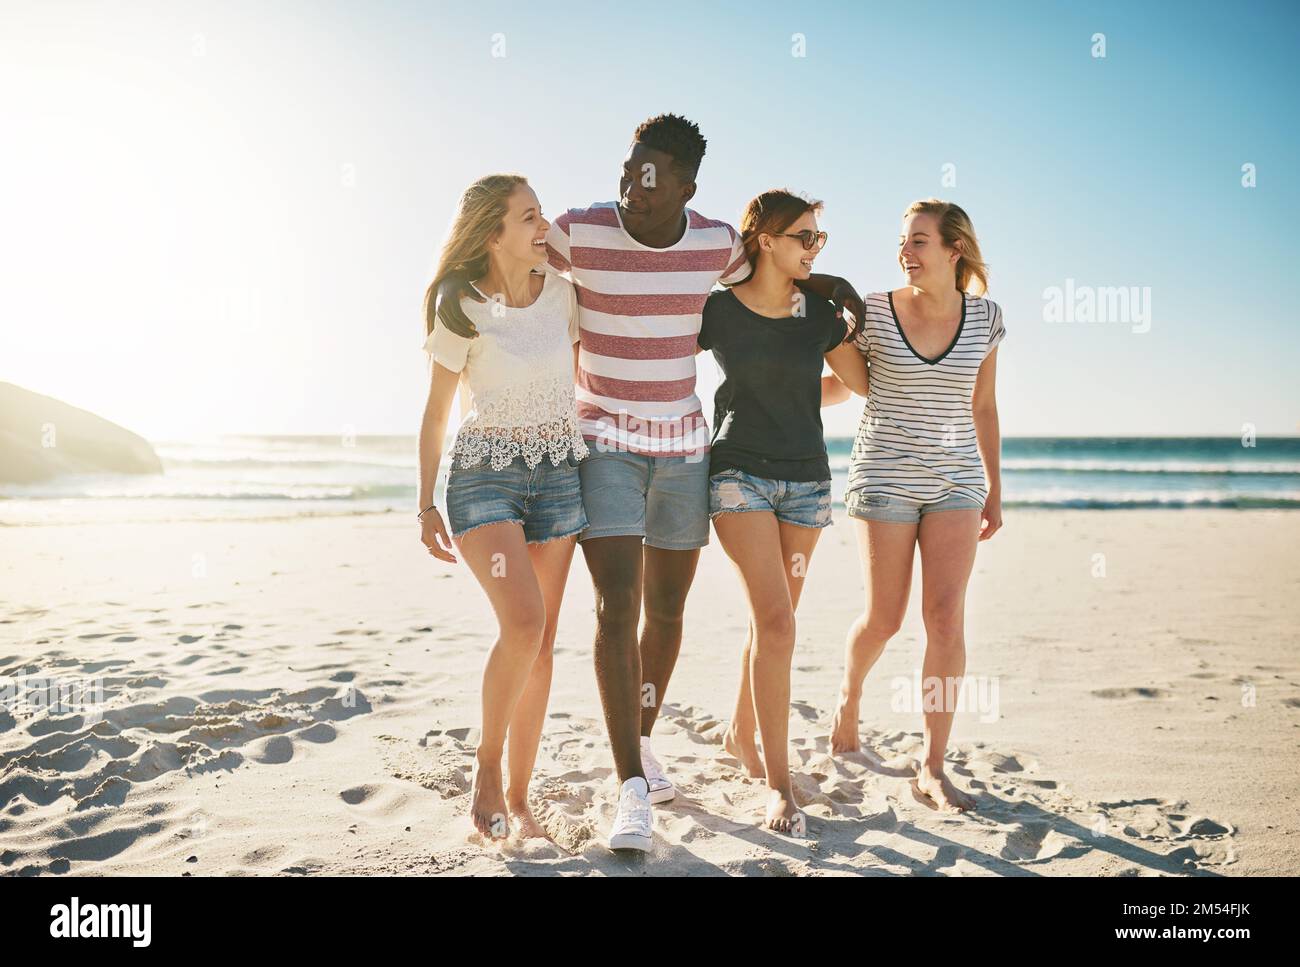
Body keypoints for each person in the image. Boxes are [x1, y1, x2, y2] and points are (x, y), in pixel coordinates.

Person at [436, 114, 865, 851]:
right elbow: (501, 249)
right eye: (628, 170)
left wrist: (830, 285)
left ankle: (636, 738)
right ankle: (631, 786)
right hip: (603, 443)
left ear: (687, 189)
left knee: (667, 611)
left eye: (651, 177)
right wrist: (452, 290)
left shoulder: (715, 245)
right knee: (616, 604)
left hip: (686, 449)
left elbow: (767, 270)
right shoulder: (580, 231)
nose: (633, 187)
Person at [416, 174, 587, 840]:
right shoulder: (459, 304)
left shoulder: (564, 297)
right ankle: (487, 767)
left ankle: (520, 799)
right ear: (493, 233)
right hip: (482, 478)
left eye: (542, 213)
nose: (544, 226)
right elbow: (434, 414)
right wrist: (424, 502)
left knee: (540, 644)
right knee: (523, 623)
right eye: (529, 217)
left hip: (559, 476)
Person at [698, 189, 868, 834]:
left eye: (818, 238)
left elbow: (856, 384)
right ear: (765, 240)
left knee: (775, 621)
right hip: (738, 474)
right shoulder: (717, 311)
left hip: (807, 482)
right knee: (776, 623)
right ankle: (779, 785)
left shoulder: (819, 313)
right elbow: (656, 354)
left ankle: (742, 733)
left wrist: (795, 391)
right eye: (804, 236)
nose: (814, 248)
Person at [828, 199, 1005, 813]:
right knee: (884, 618)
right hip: (883, 477)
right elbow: (849, 382)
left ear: (955, 250)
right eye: (903, 241)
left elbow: (983, 406)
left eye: (920, 241)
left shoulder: (986, 318)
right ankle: (849, 696)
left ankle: (933, 764)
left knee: (946, 620)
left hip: (956, 480)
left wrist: (995, 489)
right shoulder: (873, 311)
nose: (906, 251)